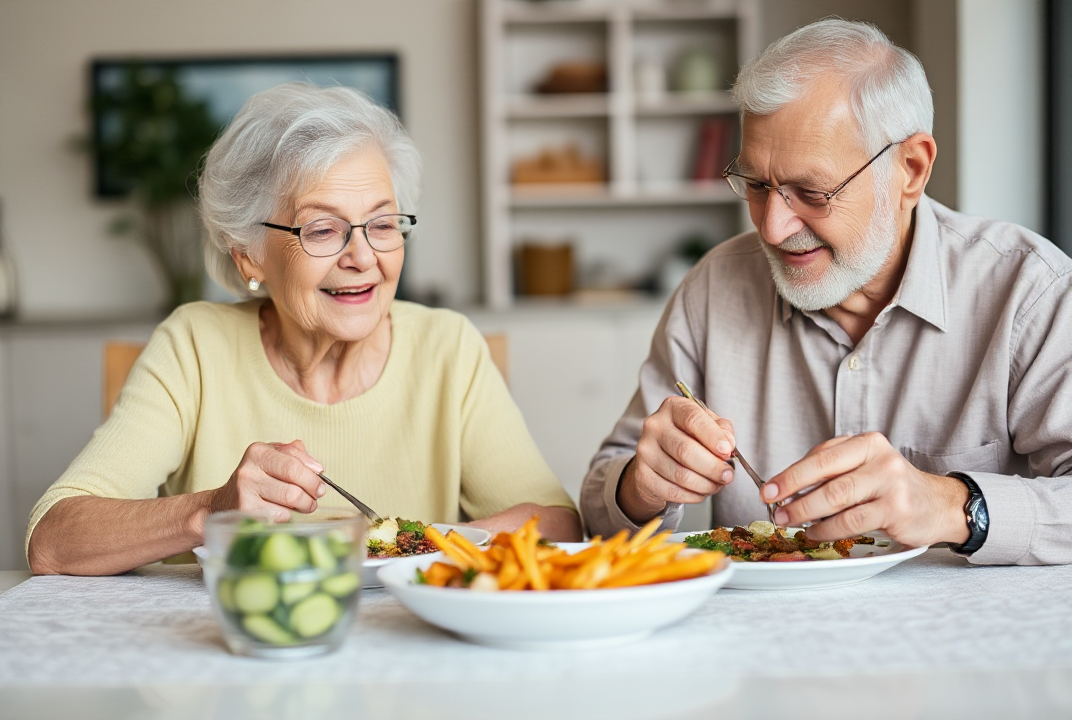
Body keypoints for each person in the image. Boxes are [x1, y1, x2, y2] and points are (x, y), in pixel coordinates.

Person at [28, 83, 581, 575]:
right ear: (249, 255)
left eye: (382, 224)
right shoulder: (194, 346)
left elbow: (556, 524)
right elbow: (54, 540)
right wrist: (210, 512)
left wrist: (414, 546)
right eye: (322, 229)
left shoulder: (448, 348)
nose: (363, 256)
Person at [581, 19, 1072, 565]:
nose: (772, 228)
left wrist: (953, 504)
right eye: (758, 186)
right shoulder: (713, 289)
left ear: (911, 169)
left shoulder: (1028, 292)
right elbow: (601, 509)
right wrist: (640, 486)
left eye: (811, 192)